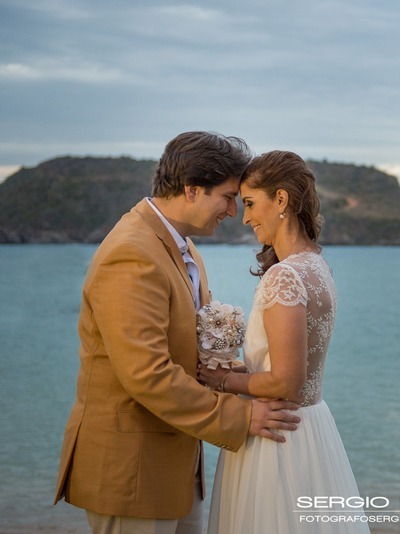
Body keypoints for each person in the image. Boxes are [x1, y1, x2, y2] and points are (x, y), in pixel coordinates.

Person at [54, 132, 301, 534]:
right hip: (132, 470)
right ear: (191, 189)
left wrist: (251, 378)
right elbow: (146, 373)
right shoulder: (132, 252)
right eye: (226, 196)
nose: (233, 210)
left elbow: (188, 353)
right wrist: (242, 415)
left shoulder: (183, 249)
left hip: (174, 467)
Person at [198, 150, 369, 533]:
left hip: (277, 435)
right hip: (313, 428)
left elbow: (285, 383)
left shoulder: (285, 277)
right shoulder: (318, 267)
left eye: (249, 203)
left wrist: (220, 380)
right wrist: (239, 368)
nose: (244, 217)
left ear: (280, 200)